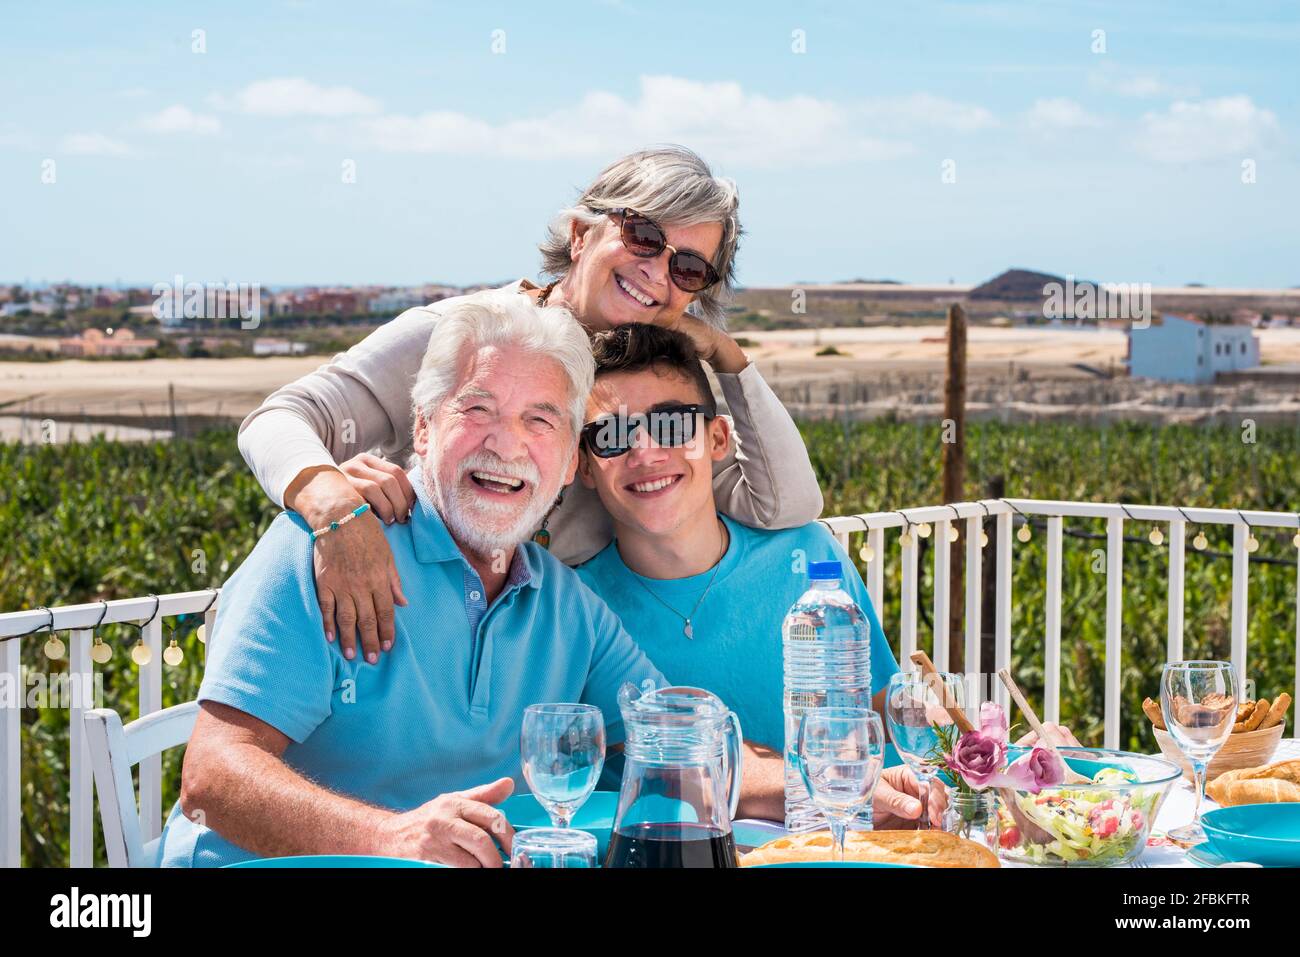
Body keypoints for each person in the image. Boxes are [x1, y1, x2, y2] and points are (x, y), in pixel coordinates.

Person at [159, 295, 706, 867]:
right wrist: (391, 837)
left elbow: (675, 740)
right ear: (422, 429)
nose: (505, 443)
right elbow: (212, 779)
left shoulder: (567, 605)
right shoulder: (331, 547)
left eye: (539, 420)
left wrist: (798, 780)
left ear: (571, 461)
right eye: (477, 410)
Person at [237, 146, 824, 666]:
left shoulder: (649, 403)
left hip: (533, 678)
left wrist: (727, 357)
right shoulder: (472, 337)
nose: (657, 271)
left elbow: (785, 503)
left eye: (689, 267)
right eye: (643, 235)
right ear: (579, 235)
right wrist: (334, 503)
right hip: (395, 648)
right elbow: (281, 418)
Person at [572, 323, 945, 828]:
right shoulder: (574, 610)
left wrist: (996, 756)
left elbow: (888, 710)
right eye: (612, 435)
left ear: (719, 437)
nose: (645, 453)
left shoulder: (809, 560)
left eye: (673, 425)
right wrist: (836, 787)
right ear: (586, 466)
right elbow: (679, 768)